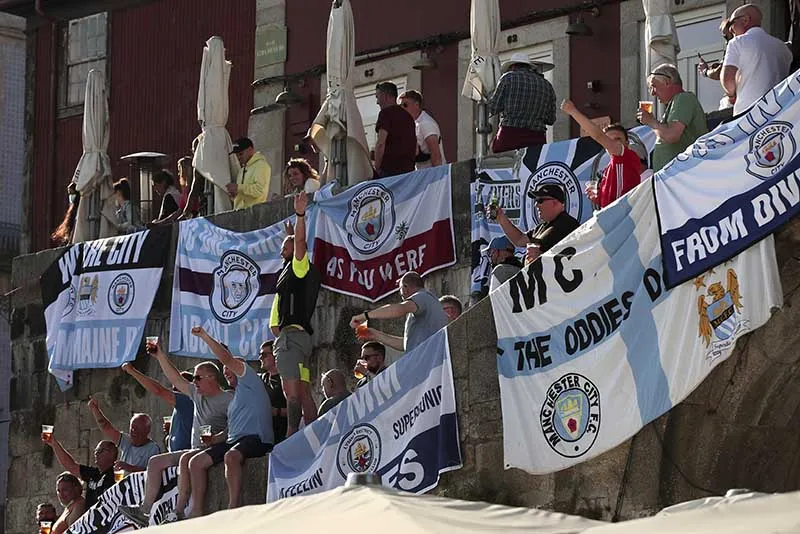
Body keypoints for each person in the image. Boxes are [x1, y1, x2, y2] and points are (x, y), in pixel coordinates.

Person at [120, 344, 233, 526]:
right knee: (154, 462)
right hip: (195, 449)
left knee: (186, 459)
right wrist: (160, 355)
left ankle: (179, 511)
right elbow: (175, 377)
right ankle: (144, 510)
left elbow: (233, 428)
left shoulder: (228, 398)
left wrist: (216, 438)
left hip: (212, 449)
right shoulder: (196, 394)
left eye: (198, 377)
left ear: (212, 377)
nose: (194, 382)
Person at [183, 327, 273, 516]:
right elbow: (231, 429)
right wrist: (214, 439)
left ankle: (233, 508)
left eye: (231, 370)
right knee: (195, 462)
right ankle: (196, 511)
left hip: (257, 438)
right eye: (225, 373)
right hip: (234, 440)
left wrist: (205, 337)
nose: (227, 373)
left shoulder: (250, 380)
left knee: (231, 457)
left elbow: (226, 359)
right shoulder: (235, 396)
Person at [270, 192, 321, 436]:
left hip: (290, 341)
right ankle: (312, 434)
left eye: (284, 247)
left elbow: (299, 244)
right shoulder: (293, 271)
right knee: (303, 392)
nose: (282, 251)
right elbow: (294, 243)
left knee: (291, 394)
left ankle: (291, 437)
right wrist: (289, 233)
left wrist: (300, 215)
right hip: (302, 341)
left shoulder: (299, 267)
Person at [561, 99, 642, 209]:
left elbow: (598, 135)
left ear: (626, 143)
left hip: (623, 218)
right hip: (610, 219)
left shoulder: (627, 156)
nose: (613, 143)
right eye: (609, 139)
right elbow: (610, 199)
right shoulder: (609, 168)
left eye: (618, 139)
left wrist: (573, 111)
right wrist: (598, 197)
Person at [350, 271, 449, 353]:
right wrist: (376, 335)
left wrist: (364, 316)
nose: (401, 296)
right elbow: (406, 344)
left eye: (400, 290)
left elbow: (398, 309)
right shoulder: (428, 304)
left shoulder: (422, 297)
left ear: (405, 287)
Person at [721, 4, 792, 115]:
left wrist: (731, 96)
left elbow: (727, 79)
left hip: (749, 113)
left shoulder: (737, 42)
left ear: (745, 20)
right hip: (780, 112)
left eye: (732, 23)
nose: (730, 29)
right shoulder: (783, 48)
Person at [637, 64, 708, 172]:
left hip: (682, 175)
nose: (652, 93)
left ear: (667, 82)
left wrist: (652, 122)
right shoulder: (675, 103)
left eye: (653, 86)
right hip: (674, 177)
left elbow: (672, 135)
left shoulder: (683, 98)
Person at [487, 52, 556, 153]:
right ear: (529, 67)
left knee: (499, 163)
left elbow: (493, 108)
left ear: (513, 66)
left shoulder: (507, 78)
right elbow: (550, 119)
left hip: (509, 136)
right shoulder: (547, 85)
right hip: (537, 139)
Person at [495, 183, 580, 265]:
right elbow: (519, 240)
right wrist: (501, 218)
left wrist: (542, 256)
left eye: (540, 200)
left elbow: (576, 258)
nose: (536, 205)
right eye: (535, 200)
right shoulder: (542, 227)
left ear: (555, 202)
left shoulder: (569, 225)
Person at [121, 362, 194, 453]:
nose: (173, 392)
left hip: (182, 455)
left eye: (177, 389)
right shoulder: (181, 406)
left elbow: (158, 390)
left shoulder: (186, 400)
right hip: (176, 456)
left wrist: (132, 371)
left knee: (154, 462)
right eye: (173, 389)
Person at [42, 435, 117, 508]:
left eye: (100, 451)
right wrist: (54, 444)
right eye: (95, 451)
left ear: (112, 453)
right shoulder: (93, 473)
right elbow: (71, 465)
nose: (96, 454)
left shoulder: (117, 473)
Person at [87, 397, 161, 471]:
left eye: (138, 429)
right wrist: (95, 409)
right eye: (132, 428)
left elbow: (153, 472)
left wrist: (129, 467)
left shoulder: (153, 448)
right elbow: (106, 427)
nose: (134, 431)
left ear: (147, 431)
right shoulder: (126, 441)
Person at [374, 81, 417, 177]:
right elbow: (416, 149)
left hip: (389, 171)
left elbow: (381, 143)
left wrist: (376, 168)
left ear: (385, 96)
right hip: (408, 172)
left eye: (378, 97)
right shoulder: (408, 117)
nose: (377, 102)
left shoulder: (385, 114)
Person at [398, 90, 446, 169]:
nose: (402, 108)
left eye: (405, 105)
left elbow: (436, 154)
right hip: (422, 174)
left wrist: (436, 176)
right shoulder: (414, 123)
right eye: (400, 106)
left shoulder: (426, 123)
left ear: (416, 105)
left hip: (432, 175)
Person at [228, 137, 271, 210]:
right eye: (237, 155)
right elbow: (243, 193)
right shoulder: (241, 170)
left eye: (241, 154)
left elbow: (259, 190)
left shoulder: (261, 165)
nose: (238, 157)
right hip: (240, 213)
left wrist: (238, 187)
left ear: (250, 150)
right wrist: (234, 195)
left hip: (254, 213)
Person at [258, 340, 288, 444]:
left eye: (264, 355)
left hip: (284, 433)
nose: (260, 358)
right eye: (260, 355)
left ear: (275, 355)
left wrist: (277, 411)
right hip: (263, 434)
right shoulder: (261, 379)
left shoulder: (288, 378)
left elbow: (300, 409)